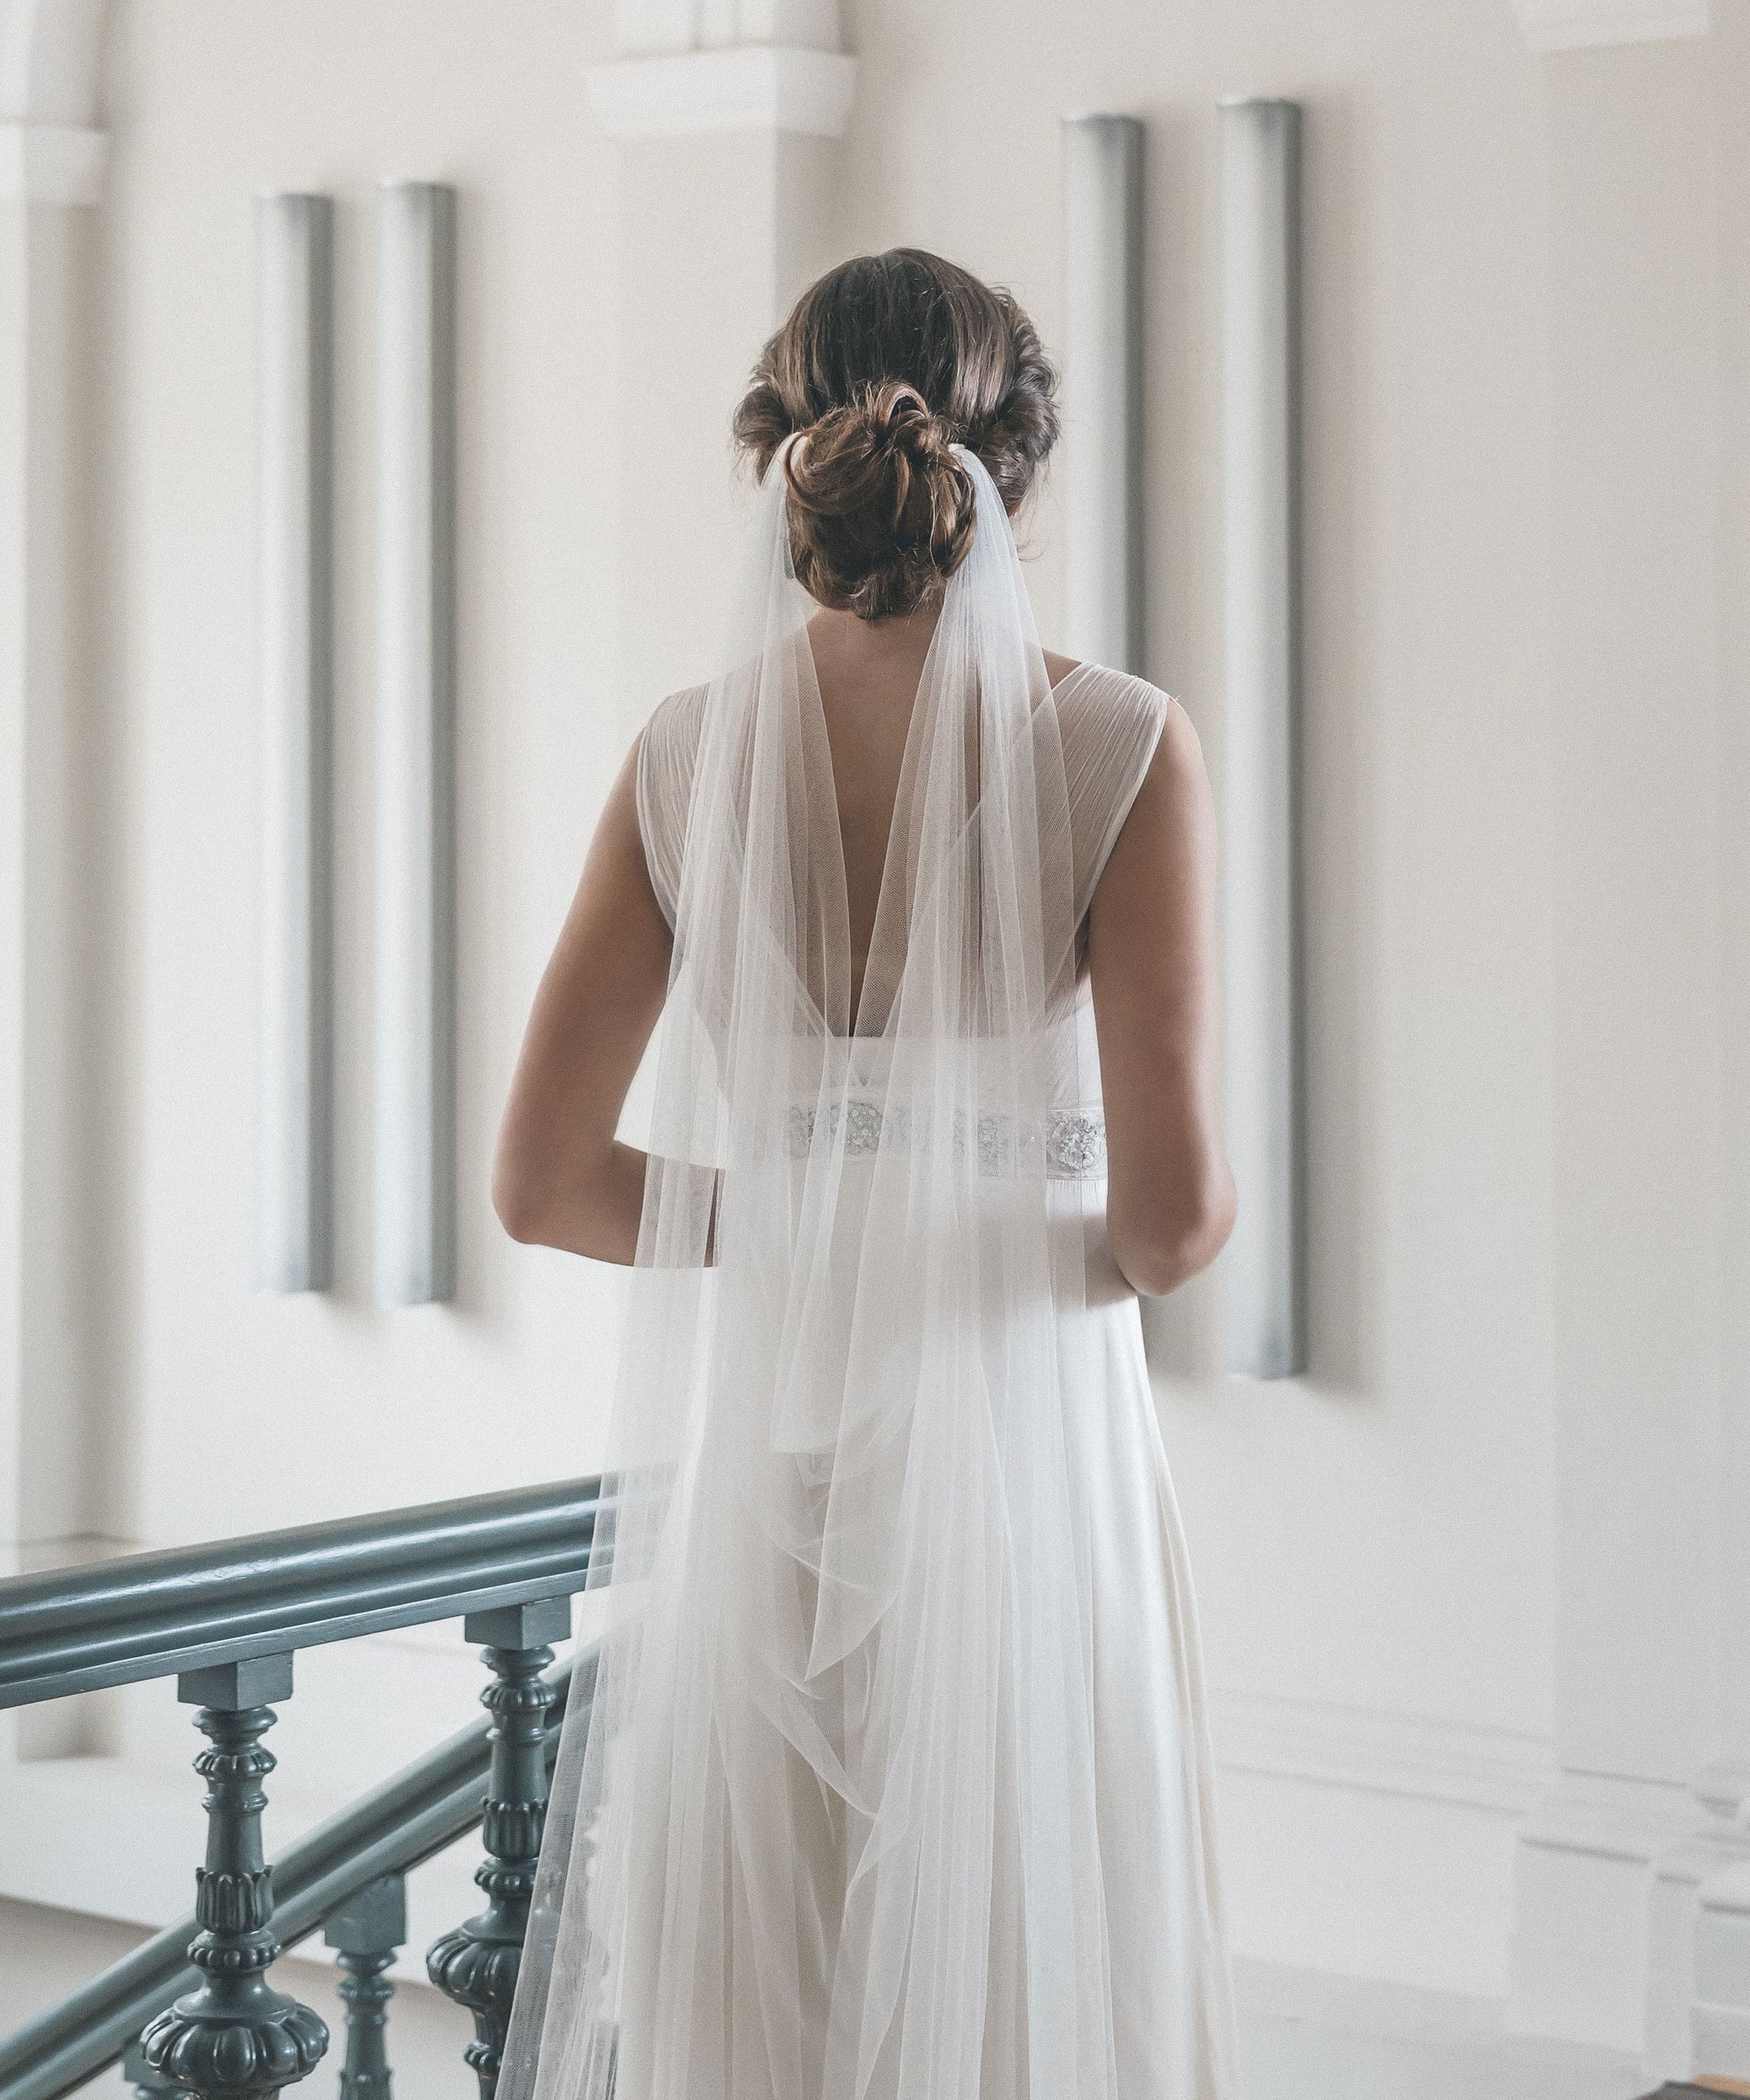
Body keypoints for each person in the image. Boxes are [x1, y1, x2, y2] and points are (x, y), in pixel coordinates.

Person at [492, 248, 1241, 2100]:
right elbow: (1170, 1227)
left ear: (782, 444)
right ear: (1020, 454)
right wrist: (966, 1217)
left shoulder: (687, 756)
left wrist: (827, 1220)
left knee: (776, 1985)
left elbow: (545, 1184)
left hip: (779, 1450)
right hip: (1024, 1459)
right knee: (1031, 1962)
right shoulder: (1122, 744)